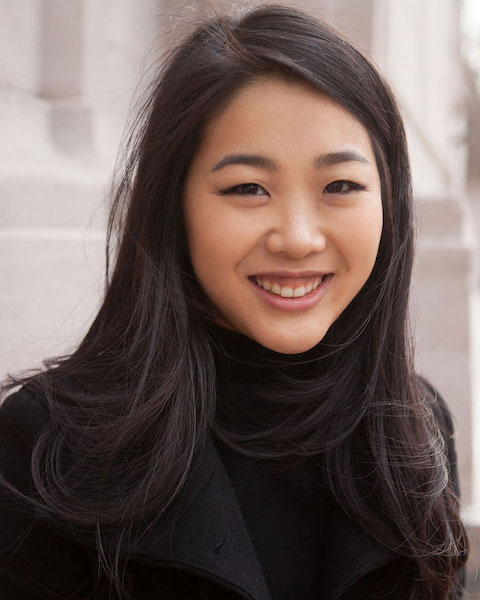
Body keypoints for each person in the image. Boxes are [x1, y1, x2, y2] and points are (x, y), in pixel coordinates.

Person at [0, 4, 469, 599]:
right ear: (175, 207)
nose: (298, 238)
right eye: (248, 188)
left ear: (390, 205)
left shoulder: (415, 429)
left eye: (341, 186)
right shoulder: (43, 446)